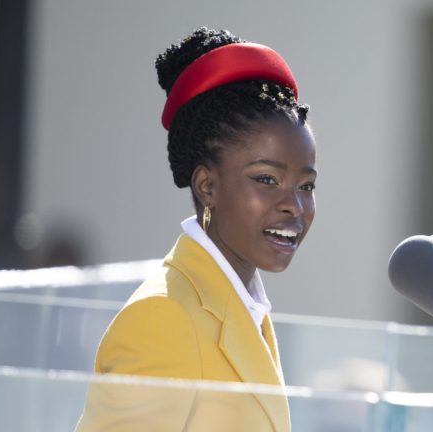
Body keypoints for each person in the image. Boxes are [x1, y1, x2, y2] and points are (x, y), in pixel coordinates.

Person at [75, 27, 316, 432]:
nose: (294, 204)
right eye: (267, 179)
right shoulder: (164, 317)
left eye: (306, 186)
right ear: (207, 187)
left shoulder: (243, 308)